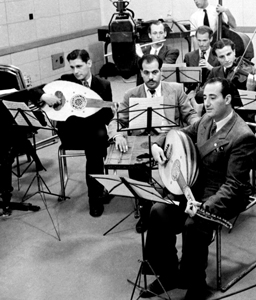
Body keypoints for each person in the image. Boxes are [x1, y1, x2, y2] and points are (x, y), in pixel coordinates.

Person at [139, 78, 256, 299]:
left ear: (228, 99)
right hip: (196, 186)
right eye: (205, 97)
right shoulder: (206, 119)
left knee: (194, 225)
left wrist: (205, 207)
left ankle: (196, 284)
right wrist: (157, 144)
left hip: (225, 194)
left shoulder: (242, 136)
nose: (207, 103)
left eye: (213, 98)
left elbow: (234, 185)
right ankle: (168, 274)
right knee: (158, 212)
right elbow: (181, 132)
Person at [108, 54, 199, 231]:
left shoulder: (176, 90)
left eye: (155, 72)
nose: (151, 77)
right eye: (146, 72)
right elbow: (116, 121)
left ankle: (172, 207)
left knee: (180, 164)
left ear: (161, 72)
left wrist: (199, 125)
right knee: (135, 165)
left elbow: (190, 115)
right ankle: (145, 209)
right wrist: (117, 134)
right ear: (141, 73)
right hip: (142, 142)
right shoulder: (131, 94)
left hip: (168, 139)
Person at [37, 49, 114, 217]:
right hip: (71, 132)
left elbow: (108, 115)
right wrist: (44, 96)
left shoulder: (103, 85)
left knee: (96, 143)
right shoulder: (65, 81)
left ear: (89, 63)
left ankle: (96, 195)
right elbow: (36, 90)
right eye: (72, 67)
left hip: (94, 130)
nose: (76, 71)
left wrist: (94, 108)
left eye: (79, 66)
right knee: (97, 146)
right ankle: (97, 195)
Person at [136, 20, 179, 85]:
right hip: (144, 89)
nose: (158, 36)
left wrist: (142, 56)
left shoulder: (172, 51)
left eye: (161, 33)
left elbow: (161, 67)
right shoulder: (142, 51)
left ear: (165, 34)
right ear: (150, 35)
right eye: (155, 33)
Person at [183, 26, 220, 91]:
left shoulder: (218, 55)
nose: (201, 44)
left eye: (204, 40)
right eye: (199, 40)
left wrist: (211, 68)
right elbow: (185, 82)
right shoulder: (188, 56)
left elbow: (223, 79)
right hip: (193, 93)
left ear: (211, 39)